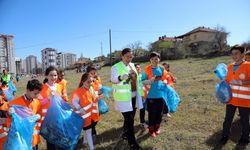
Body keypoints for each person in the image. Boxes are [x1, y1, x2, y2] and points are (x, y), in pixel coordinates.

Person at [110, 48, 144, 150]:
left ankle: (125, 134)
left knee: (130, 118)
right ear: (122, 56)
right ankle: (132, 143)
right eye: (127, 56)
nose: (130, 58)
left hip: (133, 96)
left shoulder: (133, 65)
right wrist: (120, 77)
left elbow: (137, 80)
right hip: (123, 98)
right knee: (130, 120)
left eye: (131, 56)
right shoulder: (116, 67)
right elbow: (113, 79)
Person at [219, 45, 250, 146]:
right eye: (232, 54)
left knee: (245, 120)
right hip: (231, 99)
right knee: (228, 119)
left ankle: (245, 138)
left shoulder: (248, 65)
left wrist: (240, 82)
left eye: (236, 53)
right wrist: (222, 85)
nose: (234, 56)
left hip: (244, 100)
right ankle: (224, 136)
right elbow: (228, 81)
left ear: (243, 54)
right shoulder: (229, 67)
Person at [0, 79, 43, 150]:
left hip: (33, 140)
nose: (37, 96)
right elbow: (6, 117)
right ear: (28, 90)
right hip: (20, 141)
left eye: (38, 93)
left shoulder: (37, 103)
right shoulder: (14, 103)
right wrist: (8, 114)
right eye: (35, 93)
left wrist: (38, 117)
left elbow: (39, 116)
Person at [142, 52, 170, 138]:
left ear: (159, 59)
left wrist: (165, 81)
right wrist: (150, 81)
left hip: (161, 95)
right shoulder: (146, 69)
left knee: (159, 113)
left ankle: (157, 128)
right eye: (153, 59)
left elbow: (166, 77)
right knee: (152, 114)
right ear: (150, 60)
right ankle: (151, 130)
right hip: (151, 96)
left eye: (157, 59)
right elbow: (142, 81)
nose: (155, 60)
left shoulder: (161, 68)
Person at [70, 73, 100, 150]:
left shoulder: (91, 88)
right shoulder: (78, 92)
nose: (90, 83)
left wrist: (97, 96)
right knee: (88, 131)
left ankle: (85, 141)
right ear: (83, 82)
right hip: (83, 116)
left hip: (91, 115)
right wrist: (79, 108)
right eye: (88, 82)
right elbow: (74, 102)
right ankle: (91, 147)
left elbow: (94, 98)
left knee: (87, 130)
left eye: (91, 81)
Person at [37, 66, 64, 150]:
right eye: (51, 75)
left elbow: (61, 100)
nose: (53, 77)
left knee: (59, 138)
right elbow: (38, 104)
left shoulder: (59, 86)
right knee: (51, 141)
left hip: (58, 117)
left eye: (55, 75)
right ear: (46, 76)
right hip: (47, 119)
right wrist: (48, 98)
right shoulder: (42, 88)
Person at [135, 63, 148, 128]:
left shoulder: (142, 75)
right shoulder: (135, 77)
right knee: (142, 109)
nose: (139, 68)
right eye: (137, 67)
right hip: (140, 95)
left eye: (139, 67)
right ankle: (142, 122)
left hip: (146, 94)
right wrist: (142, 95)